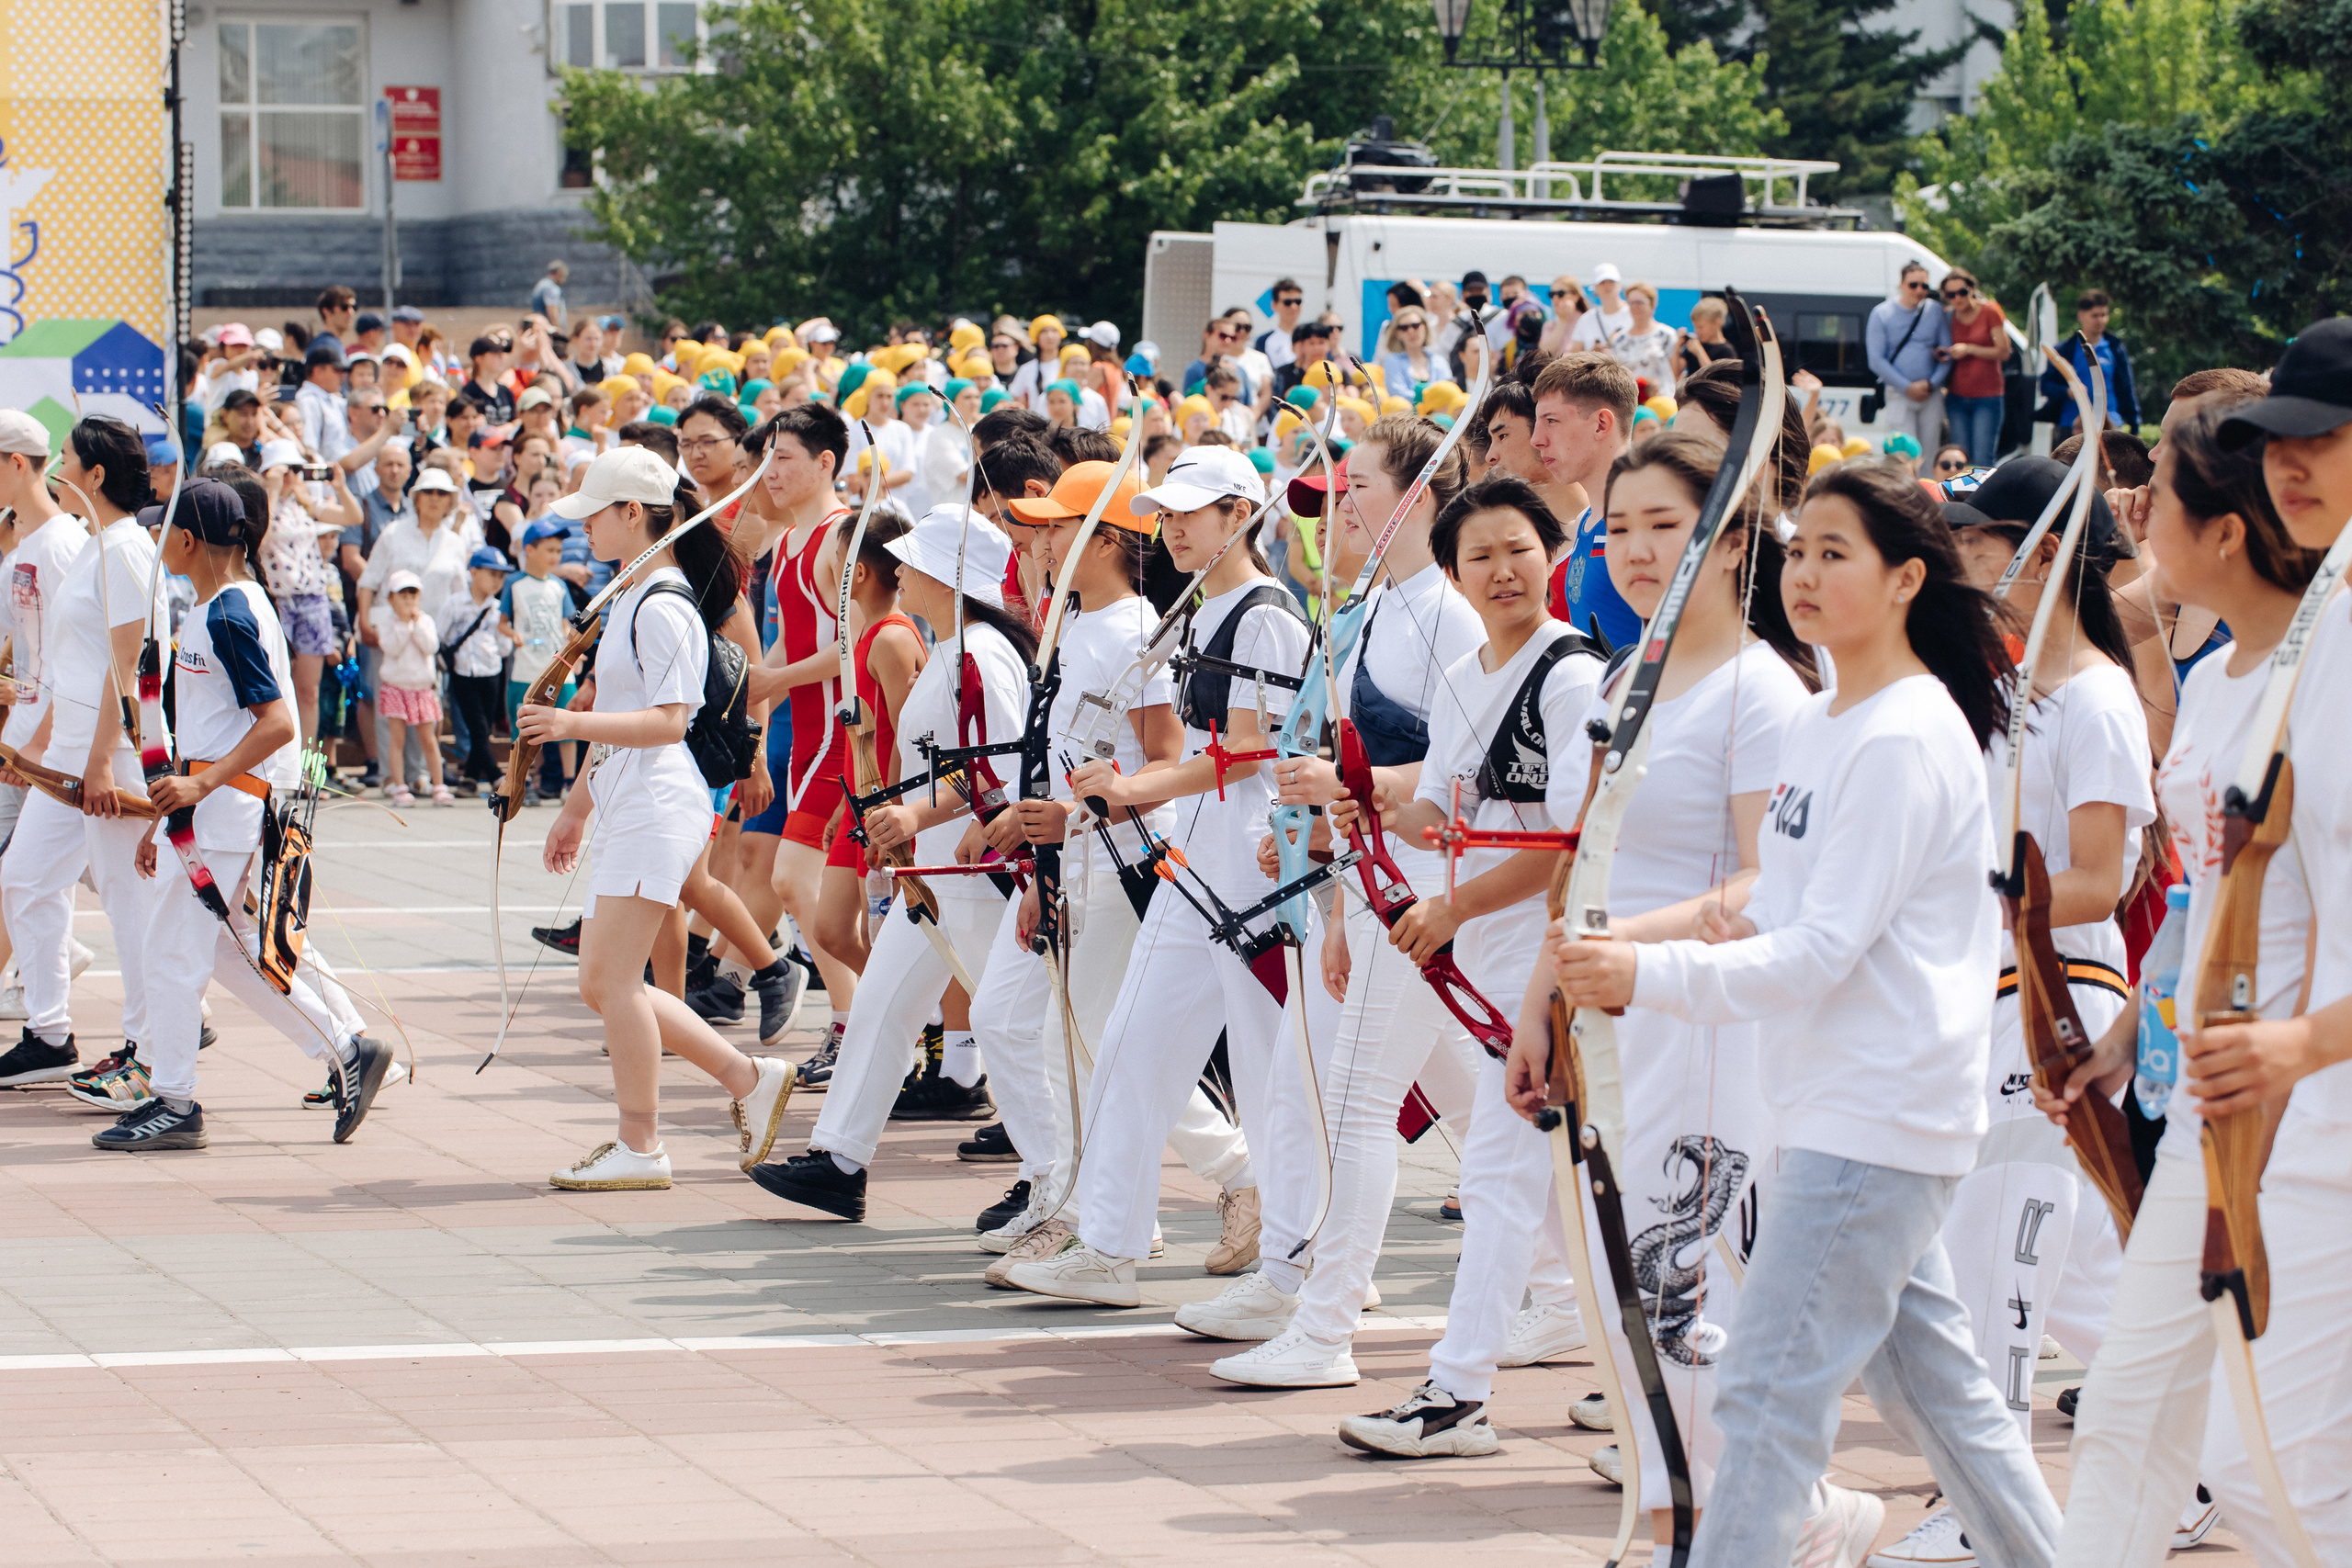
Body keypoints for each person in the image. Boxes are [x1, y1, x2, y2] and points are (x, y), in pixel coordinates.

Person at [1540, 460, 2058, 1565]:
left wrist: (1645, 978)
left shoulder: (1906, 733)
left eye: (1837, 554)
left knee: (1766, 1396)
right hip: (1835, 1106)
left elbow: (1819, 952)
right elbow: (1776, 906)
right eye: (1801, 551)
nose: (1806, 575)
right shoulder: (1830, 716)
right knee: (1940, 1401)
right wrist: (1636, 940)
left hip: (1876, 1115)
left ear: (1909, 578)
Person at [2042, 323, 2352, 1566]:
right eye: (2285, 442)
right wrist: (2142, 1027)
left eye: (2325, 439)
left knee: (2273, 1466)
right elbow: (2211, 893)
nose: (2297, 466)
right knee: (2139, 1412)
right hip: (2233, 1095)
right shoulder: (2259, 666)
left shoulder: (2331, 647)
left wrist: (2295, 1043)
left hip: (2301, 1103)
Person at [1871, 458, 2159, 1565]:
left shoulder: (2093, 699)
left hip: (2057, 1004)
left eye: (1977, 542)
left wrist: (1972, 895)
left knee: (1998, 1262)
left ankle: (1985, 1508)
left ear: (2039, 553)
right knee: (2092, 1285)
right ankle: (2195, 1470)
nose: (1961, 560)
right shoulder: (2004, 691)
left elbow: (2100, 876)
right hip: (1982, 995)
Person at [1202, 423, 1498, 1384]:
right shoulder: (1369, 609)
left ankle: (1323, 1323)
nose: (1333, 510)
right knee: (1472, 1097)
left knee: (1359, 1100)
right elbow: (1348, 776)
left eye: (1356, 486)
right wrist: (1329, 889)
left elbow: (1465, 774)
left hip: (1421, 890)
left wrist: (1340, 795)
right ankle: (1547, 1286)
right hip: (1364, 890)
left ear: (1414, 498)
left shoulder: (1445, 619)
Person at [1007, 451, 1311, 1308]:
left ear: (1241, 514)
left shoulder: (1267, 614)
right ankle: (1107, 1245)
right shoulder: (1199, 614)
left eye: (1193, 513)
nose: (1173, 528)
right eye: (1167, 515)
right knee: (1130, 1044)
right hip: (1197, 859)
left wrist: (1127, 788)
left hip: (1254, 860)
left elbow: (1248, 750)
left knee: (1266, 1070)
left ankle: (1300, 1262)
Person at [517, 446, 794, 1191]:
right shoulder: (638, 593)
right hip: (632, 804)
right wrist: (576, 807)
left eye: (596, 516)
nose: (588, 532)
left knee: (610, 980)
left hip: (657, 804)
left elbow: (671, 720)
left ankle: (643, 1143)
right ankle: (745, 1079)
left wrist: (569, 732)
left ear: (633, 513)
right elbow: (622, 713)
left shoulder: (662, 602)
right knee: (606, 982)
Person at [746, 504, 1027, 1219]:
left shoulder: (982, 653)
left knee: (1021, 1025)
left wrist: (915, 814)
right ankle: (840, 1160)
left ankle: (1064, 1178)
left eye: (915, 561)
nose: (899, 571)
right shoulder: (958, 645)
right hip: (935, 873)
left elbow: (995, 763)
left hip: (975, 873)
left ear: (949, 575)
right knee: (877, 1008)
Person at [111, 477, 393, 1150]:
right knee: (235, 952)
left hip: (228, 813)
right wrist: (170, 809)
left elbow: (275, 725)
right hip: (215, 810)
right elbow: (217, 727)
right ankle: (347, 1047)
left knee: (174, 955)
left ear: (186, 538)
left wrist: (198, 786)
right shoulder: (222, 605)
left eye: (163, 529)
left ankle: (175, 1100)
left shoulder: (229, 614)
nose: (155, 539)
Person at [0, 419, 171, 1091]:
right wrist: (34, 747)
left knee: (143, 911)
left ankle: (149, 1050)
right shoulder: (97, 546)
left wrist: (98, 759)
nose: (59, 469)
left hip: (110, 758)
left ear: (95, 475)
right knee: (25, 880)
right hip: (70, 754)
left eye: (67, 460)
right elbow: (65, 664)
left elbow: (125, 666)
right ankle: (50, 1033)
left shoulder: (117, 550)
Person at [1529, 355, 1644, 651]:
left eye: (1551, 421)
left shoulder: (1643, 524)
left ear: (1601, 424)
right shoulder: (1589, 520)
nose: (1536, 440)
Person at [256, 439, 353, 743]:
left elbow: (353, 518)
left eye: (295, 470)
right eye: (285, 470)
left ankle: (305, 767)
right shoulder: (261, 504)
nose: (290, 477)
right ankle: (279, 762)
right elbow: (258, 542)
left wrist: (340, 486)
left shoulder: (305, 505)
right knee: (276, 685)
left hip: (311, 598)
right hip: (278, 599)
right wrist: (271, 490)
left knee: (309, 690)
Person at [502, 521, 578, 805]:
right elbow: (502, 622)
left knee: (567, 722)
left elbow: (565, 625)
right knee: (525, 727)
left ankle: (568, 783)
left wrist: (572, 654)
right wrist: (513, 634)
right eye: (549, 549)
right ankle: (523, 781)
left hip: (558, 668)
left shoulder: (559, 586)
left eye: (558, 550)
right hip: (526, 667)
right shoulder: (515, 583)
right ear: (529, 550)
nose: (555, 556)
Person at [369, 570, 450, 807]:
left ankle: (439, 786)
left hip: (422, 689)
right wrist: (405, 626)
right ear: (391, 599)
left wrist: (415, 625)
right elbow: (392, 648)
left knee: (428, 738)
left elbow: (431, 646)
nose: (408, 600)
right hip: (396, 688)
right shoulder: (387, 624)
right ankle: (400, 786)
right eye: (402, 595)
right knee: (398, 738)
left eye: (412, 594)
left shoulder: (425, 621)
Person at [439, 547, 513, 799]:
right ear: (474, 572)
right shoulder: (456, 603)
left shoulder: (497, 608)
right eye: (492, 574)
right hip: (463, 672)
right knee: (478, 726)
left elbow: (504, 645)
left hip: (490, 671)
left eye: (501, 576)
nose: (497, 581)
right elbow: (442, 635)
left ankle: (470, 778)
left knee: (484, 726)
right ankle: (496, 775)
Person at [1867, 262, 1952, 457]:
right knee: (1904, 454)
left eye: (1924, 286)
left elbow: (1947, 353)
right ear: (1901, 285)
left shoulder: (1935, 311)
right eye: (1913, 285)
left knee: (1930, 453)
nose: (1919, 290)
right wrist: (1907, 386)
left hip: (1930, 393)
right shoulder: (1882, 313)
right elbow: (1876, 360)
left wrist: (1932, 383)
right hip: (1899, 394)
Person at [2041, 288, 2142, 434]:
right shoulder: (2065, 350)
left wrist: (2135, 424)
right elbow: (2045, 385)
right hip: (2072, 425)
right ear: (2081, 316)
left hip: (2110, 423)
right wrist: (2067, 392)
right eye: (2095, 316)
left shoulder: (2115, 348)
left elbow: (2127, 388)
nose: (2100, 321)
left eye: (2104, 315)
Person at [1938, 269, 2010, 465]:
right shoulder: (1948, 316)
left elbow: (2004, 352)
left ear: (1972, 289)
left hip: (1987, 396)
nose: (1957, 298)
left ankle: (1983, 496)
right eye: (1951, 295)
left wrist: (1969, 349)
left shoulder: (1989, 311)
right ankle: (1960, 497)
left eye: (1962, 292)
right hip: (1956, 395)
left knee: (1982, 458)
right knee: (1960, 458)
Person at [1607, 282, 1680, 400]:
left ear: (1652, 305)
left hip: (1662, 400)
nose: (1635, 307)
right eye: (1631, 303)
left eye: (1640, 302)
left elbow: (1676, 370)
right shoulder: (1619, 340)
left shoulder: (1667, 335)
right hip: (1632, 402)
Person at [1377, 307, 1447, 395]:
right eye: (1404, 328)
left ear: (1425, 327)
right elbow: (1397, 393)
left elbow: (1447, 392)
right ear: (1397, 334)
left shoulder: (1439, 361)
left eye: (1416, 326)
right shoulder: (1392, 361)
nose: (1411, 331)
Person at [1568, 264, 1633, 352]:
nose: (1607, 286)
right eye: (1602, 283)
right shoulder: (1586, 319)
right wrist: (1593, 355)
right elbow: (1574, 354)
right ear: (1595, 288)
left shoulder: (1635, 313)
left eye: (1611, 281)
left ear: (1619, 285)